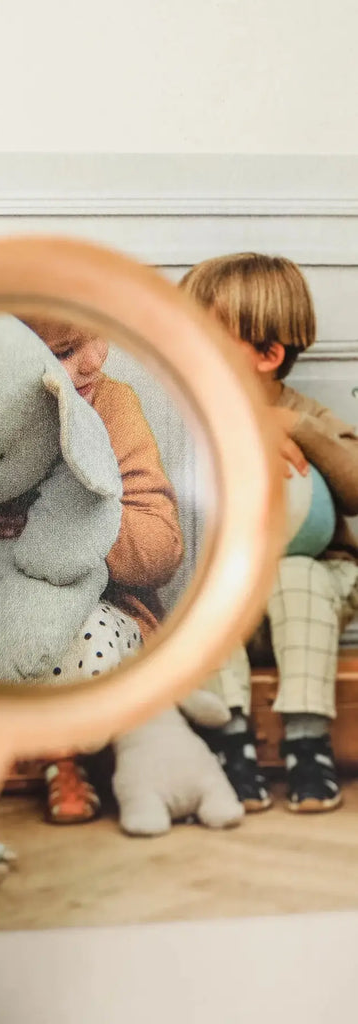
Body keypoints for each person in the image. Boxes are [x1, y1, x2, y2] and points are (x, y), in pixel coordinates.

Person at [0, 314, 185, 823]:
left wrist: (53, 528)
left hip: (95, 608)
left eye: (98, 336)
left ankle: (65, 758)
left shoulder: (112, 403)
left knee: (79, 640)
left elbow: (161, 549)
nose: (94, 360)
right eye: (64, 353)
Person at [181, 252, 358, 813]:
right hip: (229, 597)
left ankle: (308, 741)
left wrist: (294, 428)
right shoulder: (181, 415)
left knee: (297, 571)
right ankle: (231, 739)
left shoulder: (305, 413)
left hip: (311, 593)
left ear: (267, 355)